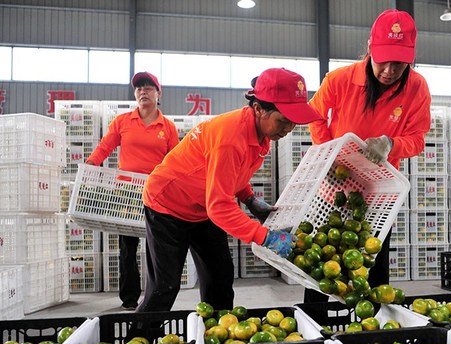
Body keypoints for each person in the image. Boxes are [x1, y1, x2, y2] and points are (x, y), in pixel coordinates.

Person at [138, 67, 323, 312]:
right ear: (258, 108)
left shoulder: (262, 134)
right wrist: (265, 237)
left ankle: (216, 336)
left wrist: (248, 197)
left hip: (203, 205)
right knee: (164, 287)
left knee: (220, 278)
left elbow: (230, 174)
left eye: (293, 122)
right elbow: (220, 207)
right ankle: (139, 342)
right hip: (168, 204)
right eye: (284, 120)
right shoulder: (230, 137)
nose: (289, 128)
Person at [305, 9, 431, 303]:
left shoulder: (416, 87)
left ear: (409, 58)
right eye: (382, 60)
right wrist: (330, 155)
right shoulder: (340, 79)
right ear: (370, 49)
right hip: (335, 187)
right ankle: (315, 322)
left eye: (398, 63)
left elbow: (417, 139)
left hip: (379, 190)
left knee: (372, 264)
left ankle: (371, 327)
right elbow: (314, 116)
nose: (388, 70)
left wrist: (390, 143)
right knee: (321, 262)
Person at [86, 71, 179, 310]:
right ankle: (129, 297)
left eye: (148, 87)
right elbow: (105, 146)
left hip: (156, 194)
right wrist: (89, 166)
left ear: (159, 94)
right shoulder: (123, 121)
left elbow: (176, 160)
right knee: (127, 246)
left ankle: (154, 294)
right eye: (139, 88)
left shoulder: (167, 127)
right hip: (126, 190)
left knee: (155, 245)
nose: (143, 91)